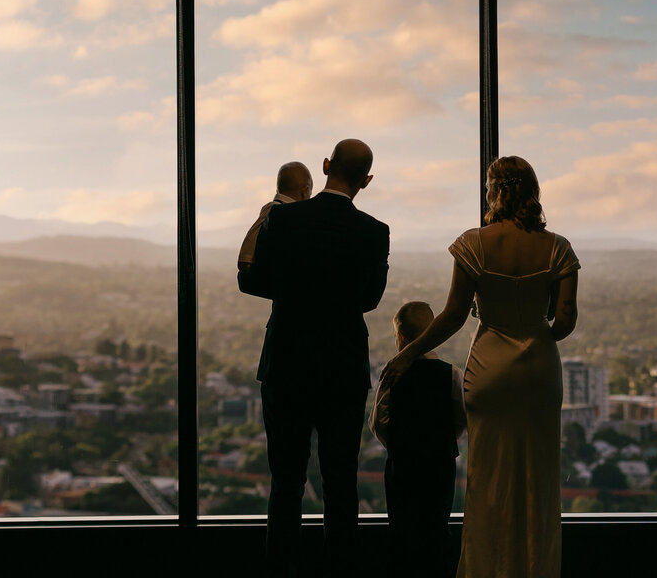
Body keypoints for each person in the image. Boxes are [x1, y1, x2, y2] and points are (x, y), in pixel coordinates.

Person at [380, 156, 579, 578]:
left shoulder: (472, 244)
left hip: (489, 369)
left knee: (488, 480)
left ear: (495, 191)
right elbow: (564, 322)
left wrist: (406, 354)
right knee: (538, 479)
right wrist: (534, 334)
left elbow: (452, 316)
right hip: (540, 373)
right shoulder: (558, 248)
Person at [238, 139, 390, 578]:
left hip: (286, 365)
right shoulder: (374, 232)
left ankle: (280, 568)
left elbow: (255, 280)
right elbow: (370, 299)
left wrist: (292, 287)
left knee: (286, 482)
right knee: (340, 482)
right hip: (342, 369)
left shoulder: (283, 219)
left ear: (325, 165)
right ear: (367, 180)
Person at [369, 301, 467, 578]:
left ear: (400, 337)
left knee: (402, 531)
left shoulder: (392, 374)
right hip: (440, 464)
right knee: (437, 527)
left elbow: (378, 423)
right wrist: (445, 439)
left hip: (403, 465)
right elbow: (462, 418)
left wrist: (400, 443)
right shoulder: (452, 374)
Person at [237, 161, 313, 273]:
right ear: (305, 191)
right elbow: (245, 259)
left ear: (277, 190)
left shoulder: (271, 210)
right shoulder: (272, 209)